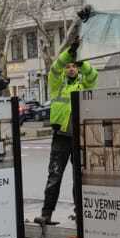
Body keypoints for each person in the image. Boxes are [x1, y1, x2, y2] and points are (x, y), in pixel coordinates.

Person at [35, 41, 97, 225]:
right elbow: (55, 68)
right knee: (54, 176)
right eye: (68, 66)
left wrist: (81, 62)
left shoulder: (84, 85)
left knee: (79, 177)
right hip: (61, 138)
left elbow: (93, 75)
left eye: (74, 66)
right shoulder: (56, 84)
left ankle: (80, 213)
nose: (71, 69)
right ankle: (46, 214)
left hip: (79, 138)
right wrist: (69, 53)